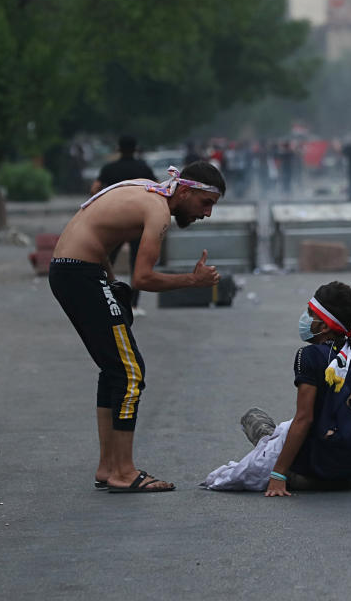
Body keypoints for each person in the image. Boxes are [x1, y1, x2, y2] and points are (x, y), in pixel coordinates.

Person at [49, 162, 226, 493]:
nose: (207, 214)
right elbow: (143, 278)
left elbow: (94, 228)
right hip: (79, 274)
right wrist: (193, 280)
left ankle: (108, 467)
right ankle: (124, 472)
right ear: (185, 191)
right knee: (130, 372)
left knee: (114, 369)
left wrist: (110, 282)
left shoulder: (146, 189)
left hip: (74, 270)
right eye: (206, 203)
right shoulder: (157, 211)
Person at [204, 280, 351, 495]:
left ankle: (267, 438)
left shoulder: (310, 356)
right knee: (285, 431)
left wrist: (277, 475)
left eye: (310, 314)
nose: (305, 318)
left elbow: (304, 419)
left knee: (257, 421)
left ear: (324, 326)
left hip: (312, 476)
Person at [89, 136, 157, 316]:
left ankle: (105, 299)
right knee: (137, 263)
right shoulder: (143, 168)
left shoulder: (109, 168)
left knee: (107, 262)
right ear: (136, 149)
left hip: (115, 221)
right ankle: (133, 305)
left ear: (119, 149)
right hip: (138, 221)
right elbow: (156, 189)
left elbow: (94, 189)